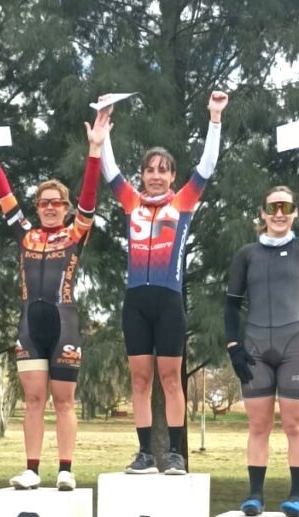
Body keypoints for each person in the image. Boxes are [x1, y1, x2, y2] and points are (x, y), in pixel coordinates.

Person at [0, 110, 112, 490]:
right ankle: (32, 470)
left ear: (67, 208)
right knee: (34, 401)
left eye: (56, 202)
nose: (50, 207)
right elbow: (4, 196)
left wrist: (94, 150)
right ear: (37, 207)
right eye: (43, 202)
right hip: (29, 325)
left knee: (64, 401)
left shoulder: (75, 233)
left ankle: (66, 468)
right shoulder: (25, 234)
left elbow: (90, 197)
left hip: (64, 321)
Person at [100, 91, 229, 474]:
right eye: (150, 170)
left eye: (163, 170)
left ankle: (175, 453)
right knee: (140, 379)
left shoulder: (185, 201)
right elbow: (109, 170)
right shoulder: (129, 201)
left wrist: (215, 117)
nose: (155, 176)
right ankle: (144, 453)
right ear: (142, 174)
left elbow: (207, 164)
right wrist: (104, 127)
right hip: (136, 301)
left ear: (172, 176)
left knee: (171, 379)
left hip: (169, 301)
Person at [225, 127, 299, 517]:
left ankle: (298, 495)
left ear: (293, 213)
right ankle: (254, 494)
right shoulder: (247, 254)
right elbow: (231, 303)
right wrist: (233, 346)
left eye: (286, 207)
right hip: (254, 345)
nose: (279, 214)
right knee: (257, 426)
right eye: (272, 207)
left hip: (294, 344)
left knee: (293, 423)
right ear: (262, 213)